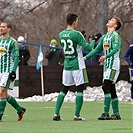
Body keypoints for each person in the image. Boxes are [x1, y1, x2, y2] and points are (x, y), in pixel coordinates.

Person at [53, 13, 101, 121]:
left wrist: (81, 38)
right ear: (74, 21)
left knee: (64, 89)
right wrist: (94, 39)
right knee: (79, 90)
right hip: (77, 65)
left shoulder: (61, 34)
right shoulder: (77, 34)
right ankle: (77, 115)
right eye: (77, 21)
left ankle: (56, 114)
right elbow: (89, 48)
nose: (77, 22)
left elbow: (72, 44)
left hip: (67, 65)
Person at [84, 17, 122, 120]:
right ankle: (117, 114)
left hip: (113, 64)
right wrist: (86, 57)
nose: (109, 20)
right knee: (111, 88)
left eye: (112, 21)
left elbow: (115, 49)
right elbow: (96, 49)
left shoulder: (115, 36)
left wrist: (106, 56)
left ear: (115, 25)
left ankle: (106, 113)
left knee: (105, 86)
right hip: (106, 66)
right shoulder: (105, 37)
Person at [0, 21, 26, 122]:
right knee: (5, 94)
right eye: (0, 27)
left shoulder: (12, 42)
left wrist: (13, 71)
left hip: (7, 71)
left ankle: (0, 115)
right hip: (0, 70)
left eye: (3, 27)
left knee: (1, 92)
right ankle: (20, 110)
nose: (1, 28)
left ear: (9, 29)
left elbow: (16, 57)